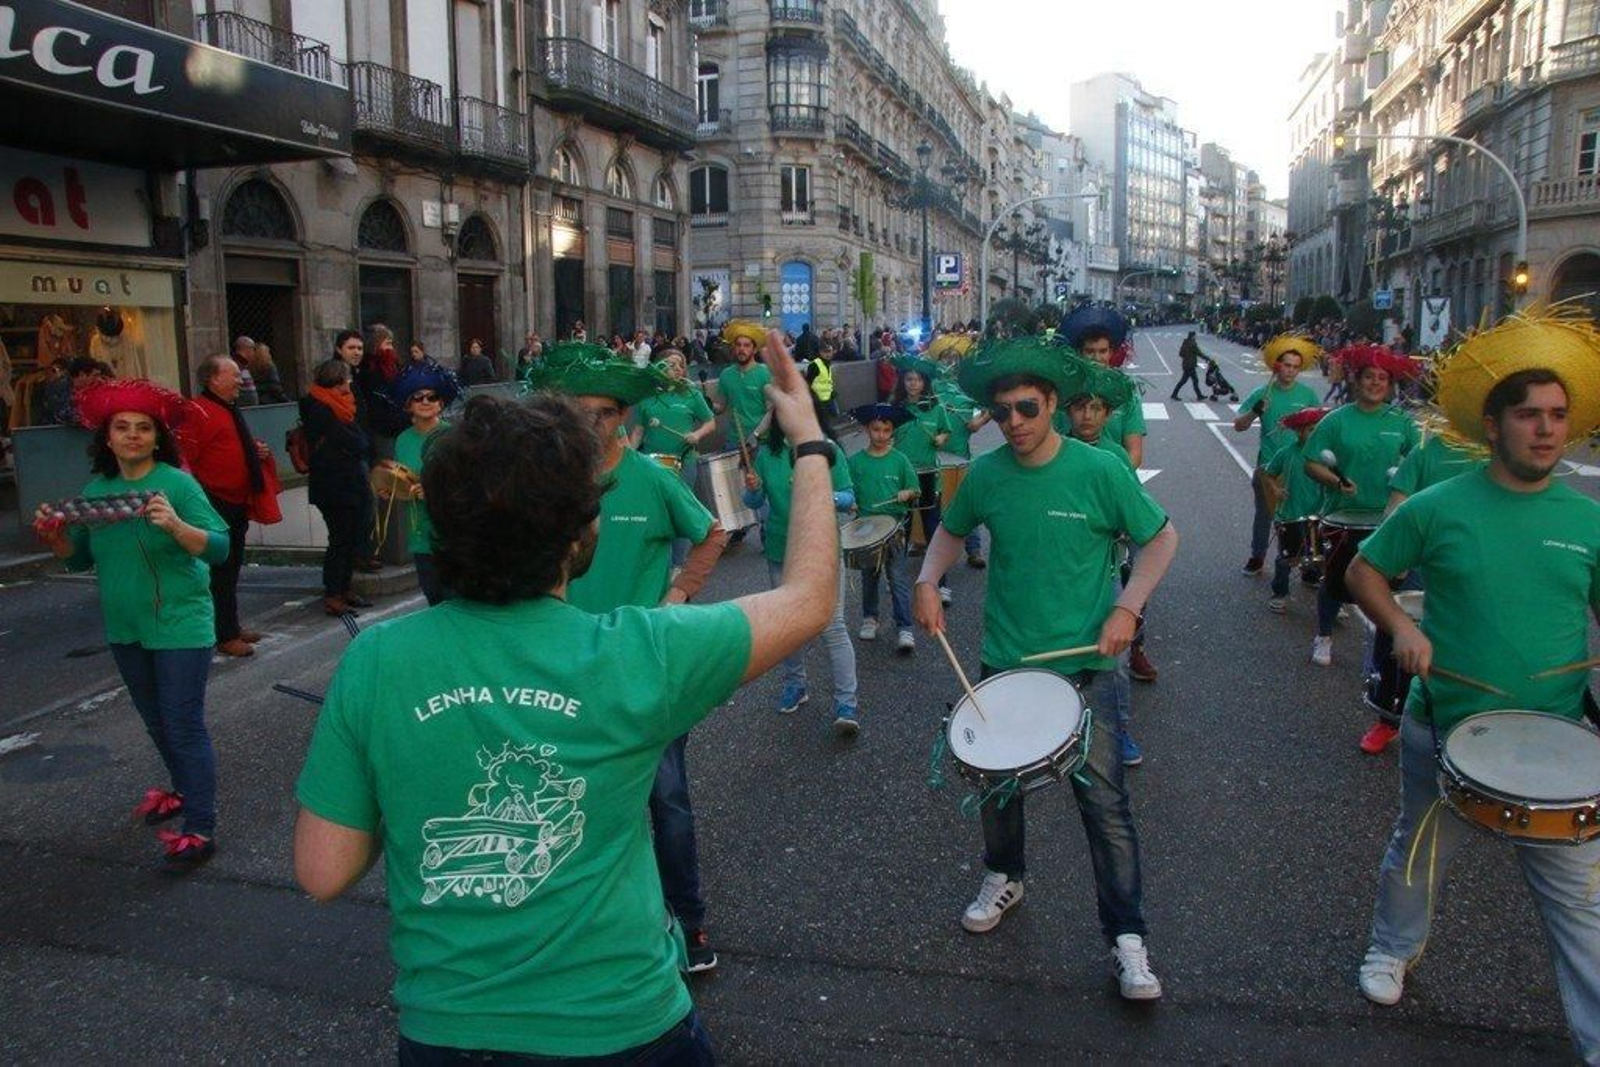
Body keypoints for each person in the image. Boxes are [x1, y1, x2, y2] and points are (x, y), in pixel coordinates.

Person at [293, 334, 838, 1062]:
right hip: (624, 1026)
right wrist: (808, 443)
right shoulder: (639, 653)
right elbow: (810, 598)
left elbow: (324, 870)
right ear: (580, 533)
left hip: (449, 1032)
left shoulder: (375, 660)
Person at [1345, 312, 1600, 1064]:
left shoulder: (1587, 521)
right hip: (1446, 726)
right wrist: (1401, 625)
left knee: (1581, 900)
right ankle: (1392, 948)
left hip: (1553, 738)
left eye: (1557, 416)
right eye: (1528, 415)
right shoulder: (1441, 506)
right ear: (1493, 426)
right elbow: (1364, 570)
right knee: (1419, 849)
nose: (1546, 430)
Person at [913, 338, 1178, 1000]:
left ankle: (1127, 936)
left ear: (1053, 403)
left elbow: (1160, 539)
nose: (1014, 422)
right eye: (1002, 411)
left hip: (1088, 668)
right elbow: (951, 529)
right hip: (1006, 661)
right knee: (998, 790)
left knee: (1105, 807)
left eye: (1027, 408)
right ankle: (1005, 875)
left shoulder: (1100, 470)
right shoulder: (987, 474)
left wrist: (1128, 607)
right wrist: (926, 578)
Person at [527, 342, 732, 974]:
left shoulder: (652, 477)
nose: (593, 424)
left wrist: (676, 597)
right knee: (569, 801)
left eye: (606, 413)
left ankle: (688, 922)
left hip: (644, 668)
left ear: (624, 417)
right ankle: (583, 927)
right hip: (562, 668)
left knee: (666, 800)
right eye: (580, 411)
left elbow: (712, 533)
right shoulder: (549, 482)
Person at [33, 380, 229, 867]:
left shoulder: (178, 485)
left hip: (181, 623)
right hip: (126, 627)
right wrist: (55, 539)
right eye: (123, 427)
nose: (133, 435)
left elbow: (220, 547)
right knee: (156, 720)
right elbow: (79, 559)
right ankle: (182, 788)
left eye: (144, 428)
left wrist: (176, 525)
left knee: (182, 724)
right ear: (108, 437)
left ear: (158, 437)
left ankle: (200, 827)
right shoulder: (95, 493)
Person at [743, 392, 860, 731]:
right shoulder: (767, 455)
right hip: (781, 549)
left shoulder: (827, 450)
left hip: (822, 551)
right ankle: (796, 685)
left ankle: (847, 704)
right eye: (780, 411)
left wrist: (821, 491)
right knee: (787, 626)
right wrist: (752, 488)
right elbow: (753, 501)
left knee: (833, 627)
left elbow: (849, 497)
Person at [1303, 344, 1420, 667]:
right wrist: (1335, 481)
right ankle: (1324, 635)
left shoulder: (1402, 422)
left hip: (1389, 518)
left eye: (1382, 378)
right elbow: (1311, 462)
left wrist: (1406, 476)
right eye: (1369, 377)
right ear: (1356, 380)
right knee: (1335, 582)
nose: (1375, 383)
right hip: (1342, 516)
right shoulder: (1336, 420)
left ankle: (1389, 643)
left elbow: (1419, 461)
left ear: (1390, 385)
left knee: (1394, 586)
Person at [181, 355, 276, 657]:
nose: (240, 380)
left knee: (231, 568)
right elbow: (186, 460)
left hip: (235, 500)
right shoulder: (197, 411)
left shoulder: (227, 408)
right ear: (213, 379)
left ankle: (229, 626)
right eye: (233, 375)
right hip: (214, 502)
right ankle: (224, 633)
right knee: (220, 570)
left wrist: (254, 450)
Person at [1233, 335, 1322, 575]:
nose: (1291, 371)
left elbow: (1318, 429)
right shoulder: (1262, 393)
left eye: (1295, 367)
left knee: (1305, 516)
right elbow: (1239, 425)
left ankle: (1308, 564)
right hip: (1269, 466)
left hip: (1301, 468)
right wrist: (1255, 411)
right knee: (1265, 515)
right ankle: (1257, 556)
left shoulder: (1308, 395)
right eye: (1286, 365)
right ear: (1277, 366)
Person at [300, 359, 374, 617]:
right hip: (332, 483)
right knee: (340, 539)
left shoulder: (340, 404)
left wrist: (361, 442)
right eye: (347, 379)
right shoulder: (319, 406)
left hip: (348, 480)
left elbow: (357, 435)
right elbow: (348, 439)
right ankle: (333, 592)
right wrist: (361, 444)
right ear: (338, 380)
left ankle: (344, 587)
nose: (350, 384)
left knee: (351, 535)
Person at [631, 349, 717, 568]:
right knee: (656, 513)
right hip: (651, 465)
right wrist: (628, 457)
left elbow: (710, 422)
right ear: (659, 367)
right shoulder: (646, 395)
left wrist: (697, 434)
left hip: (684, 462)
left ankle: (677, 566)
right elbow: (638, 432)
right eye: (671, 364)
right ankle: (658, 564)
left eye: (681, 365)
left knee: (680, 514)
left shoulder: (691, 393)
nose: (678, 369)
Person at [383, 361, 460, 606]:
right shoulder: (402, 440)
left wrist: (435, 492)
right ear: (408, 405)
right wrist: (391, 489)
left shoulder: (454, 436)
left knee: (456, 602)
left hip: (452, 535)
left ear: (441, 403)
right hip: (420, 536)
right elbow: (403, 480)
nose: (425, 401)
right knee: (434, 599)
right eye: (418, 397)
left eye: (432, 396)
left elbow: (468, 483)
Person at [847, 403, 921, 654]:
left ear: (892, 432)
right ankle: (870, 618)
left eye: (886, 430)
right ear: (867, 429)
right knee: (869, 577)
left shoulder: (900, 460)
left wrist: (907, 492)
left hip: (894, 529)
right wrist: (850, 501)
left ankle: (905, 627)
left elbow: (915, 489)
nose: (881, 435)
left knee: (897, 579)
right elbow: (847, 491)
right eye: (876, 429)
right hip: (866, 531)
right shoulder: (855, 462)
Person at [891, 357, 955, 591]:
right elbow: (886, 435)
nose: (913, 383)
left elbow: (946, 431)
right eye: (909, 379)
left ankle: (941, 583)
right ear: (902, 381)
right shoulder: (896, 409)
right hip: (902, 475)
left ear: (925, 383)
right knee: (902, 528)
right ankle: (896, 578)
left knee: (932, 528)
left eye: (918, 379)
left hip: (928, 474)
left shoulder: (936, 408)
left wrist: (941, 438)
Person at [1261, 407, 1330, 613]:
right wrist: (1276, 489)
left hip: (1318, 513)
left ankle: (1320, 587)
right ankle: (1280, 593)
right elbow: (1268, 474)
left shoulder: (1325, 456)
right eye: (1311, 430)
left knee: (1322, 555)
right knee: (1287, 557)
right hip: (1290, 513)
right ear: (1299, 431)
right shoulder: (1286, 453)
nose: (1315, 435)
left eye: (1318, 430)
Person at [332, 329, 385, 576]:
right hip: (349, 452)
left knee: (366, 504)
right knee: (361, 506)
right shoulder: (335, 375)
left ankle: (362, 554)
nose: (357, 353)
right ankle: (358, 556)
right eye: (351, 348)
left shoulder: (358, 373)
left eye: (360, 348)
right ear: (339, 349)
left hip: (362, 445)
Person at [714, 320, 774, 445]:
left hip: (760, 442)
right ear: (734, 348)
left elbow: (771, 411)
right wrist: (705, 403)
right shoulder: (726, 374)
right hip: (733, 440)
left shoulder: (765, 374)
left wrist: (756, 434)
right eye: (738, 345)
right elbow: (720, 407)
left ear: (755, 349)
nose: (742, 349)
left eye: (747, 345)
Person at [1171, 331, 1205, 401]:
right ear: (1193, 336)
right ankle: (1174, 394)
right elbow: (1199, 353)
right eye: (1195, 336)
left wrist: (1187, 356)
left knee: (1193, 380)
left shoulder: (1185, 342)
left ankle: (1199, 395)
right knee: (1185, 381)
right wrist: (1207, 359)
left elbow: (1181, 354)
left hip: (1186, 364)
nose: (1196, 337)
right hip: (1190, 365)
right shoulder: (1192, 344)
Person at [230, 335, 260, 407]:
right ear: (247, 349)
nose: (254, 353)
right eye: (253, 349)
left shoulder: (245, 365)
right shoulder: (235, 365)